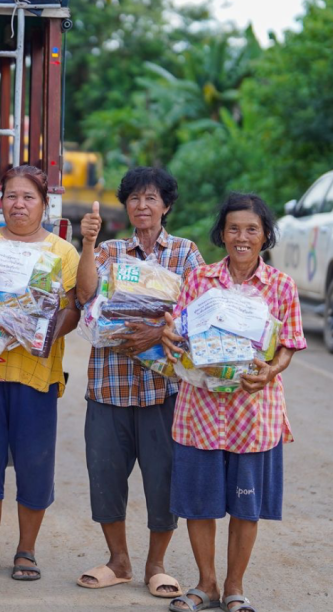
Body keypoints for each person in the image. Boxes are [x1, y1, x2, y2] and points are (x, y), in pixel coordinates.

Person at [160, 193, 306, 612]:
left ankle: (235, 587)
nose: (241, 237)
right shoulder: (199, 279)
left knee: (247, 505)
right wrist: (171, 339)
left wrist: (270, 371)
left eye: (252, 229)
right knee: (198, 503)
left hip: (253, 412)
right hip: (200, 409)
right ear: (221, 234)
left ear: (265, 236)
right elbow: (180, 335)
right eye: (233, 228)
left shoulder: (281, 286)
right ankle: (206, 585)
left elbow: (289, 345)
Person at [74, 167, 205, 599]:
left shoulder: (185, 254)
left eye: (151, 198)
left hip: (164, 391)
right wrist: (88, 244)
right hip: (109, 385)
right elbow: (87, 296)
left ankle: (156, 564)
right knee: (105, 476)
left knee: (163, 478)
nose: (141, 206)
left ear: (166, 206)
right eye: (133, 198)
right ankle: (118, 561)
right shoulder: (110, 249)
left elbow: (200, 316)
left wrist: (158, 333)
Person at [0, 164, 79, 581]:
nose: (19, 204)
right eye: (11, 196)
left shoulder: (62, 252)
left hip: (36, 373)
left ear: (44, 204)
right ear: (0, 201)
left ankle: (26, 550)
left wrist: (41, 336)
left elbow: (72, 308)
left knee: (35, 463)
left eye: (28, 197)